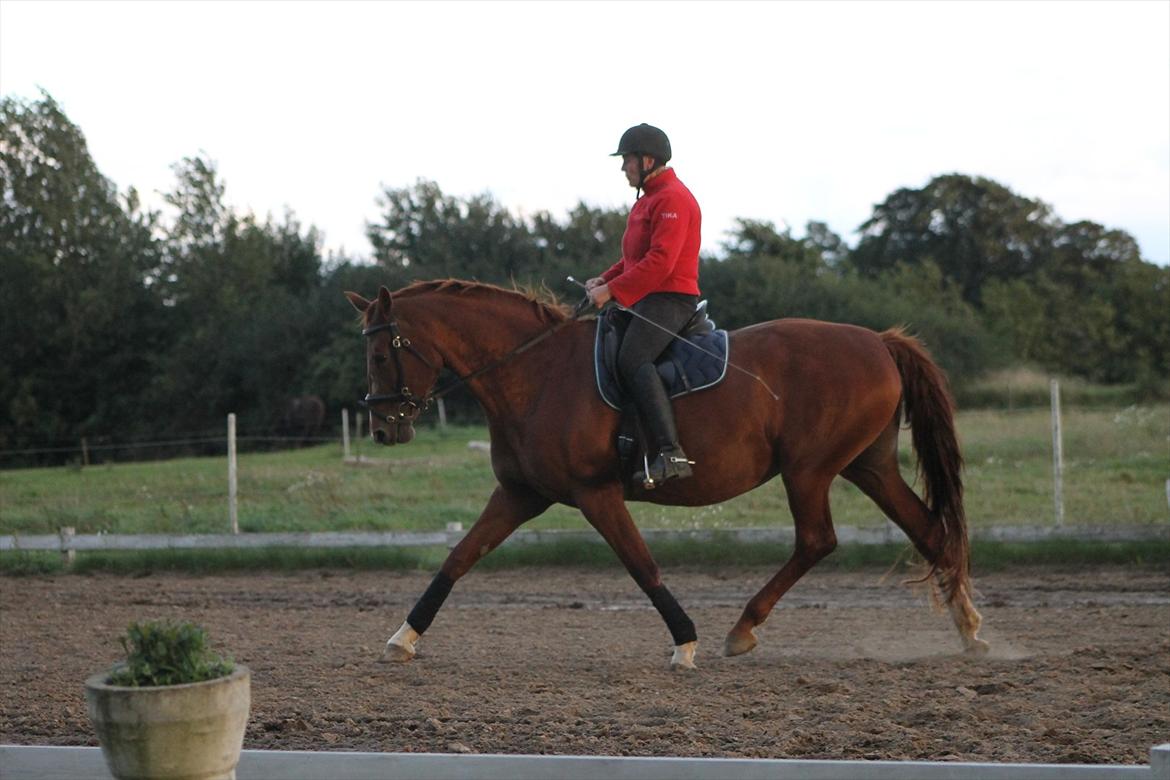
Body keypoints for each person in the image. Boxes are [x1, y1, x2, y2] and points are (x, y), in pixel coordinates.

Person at [586, 123, 701, 487]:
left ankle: (671, 452)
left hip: (671, 298)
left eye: (627, 161)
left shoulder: (673, 199)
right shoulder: (648, 200)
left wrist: (613, 293)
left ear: (647, 160)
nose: (624, 168)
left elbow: (661, 262)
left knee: (632, 358)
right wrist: (605, 279)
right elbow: (635, 259)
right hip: (647, 295)